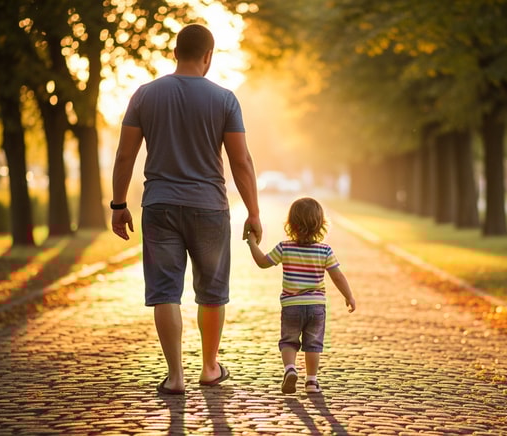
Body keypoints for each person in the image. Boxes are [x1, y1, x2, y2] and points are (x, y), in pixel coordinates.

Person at [110, 23, 261, 395]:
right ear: (208, 56)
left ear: (175, 53)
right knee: (211, 291)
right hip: (209, 207)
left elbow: (125, 154)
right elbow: (240, 161)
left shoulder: (144, 95)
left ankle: (175, 375)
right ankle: (210, 368)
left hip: (159, 206)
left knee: (165, 291)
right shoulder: (225, 99)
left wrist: (118, 205)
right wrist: (253, 212)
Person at [245, 197, 355, 394]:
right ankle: (311, 381)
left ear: (291, 224)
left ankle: (290, 369)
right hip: (316, 307)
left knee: (289, 340)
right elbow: (337, 277)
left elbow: (262, 262)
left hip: (291, 305)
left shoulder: (284, 247)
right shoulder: (325, 250)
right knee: (313, 344)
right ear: (320, 224)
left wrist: (251, 242)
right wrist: (349, 296)